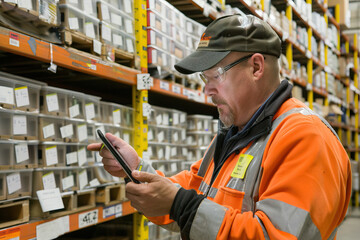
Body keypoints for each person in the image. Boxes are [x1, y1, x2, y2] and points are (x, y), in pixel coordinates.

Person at [88, 14, 351, 240]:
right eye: (205, 78)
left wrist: (180, 204)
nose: (206, 89)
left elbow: (276, 234)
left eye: (216, 75)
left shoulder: (305, 137)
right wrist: (136, 170)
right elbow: (194, 191)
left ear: (256, 67)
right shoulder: (237, 132)